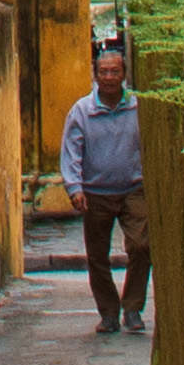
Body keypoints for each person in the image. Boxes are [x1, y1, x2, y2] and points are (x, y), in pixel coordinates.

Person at [58, 46, 145, 334]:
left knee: (142, 246)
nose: (109, 77)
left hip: (134, 189)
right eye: (103, 72)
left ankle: (132, 308)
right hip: (96, 193)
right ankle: (108, 313)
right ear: (95, 75)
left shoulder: (137, 106)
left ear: (124, 74)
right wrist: (74, 188)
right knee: (97, 256)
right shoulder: (82, 111)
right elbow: (71, 151)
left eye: (115, 71)